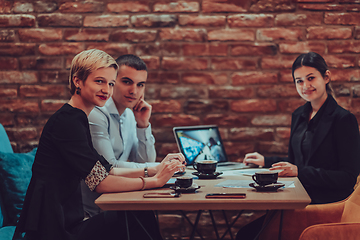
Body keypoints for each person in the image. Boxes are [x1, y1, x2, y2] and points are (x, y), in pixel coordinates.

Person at [13, 49, 185, 240]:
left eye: (111, 83)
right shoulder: (67, 122)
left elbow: (107, 170)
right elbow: (100, 183)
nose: (107, 90)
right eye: (99, 81)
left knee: (137, 213)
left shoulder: (78, 118)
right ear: (77, 81)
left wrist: (157, 169)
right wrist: (154, 181)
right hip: (55, 229)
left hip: (68, 221)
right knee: (133, 216)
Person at [236, 52, 360, 240]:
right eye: (299, 81)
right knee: (245, 233)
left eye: (311, 78)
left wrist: (299, 171)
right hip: (296, 196)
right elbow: (297, 162)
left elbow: (348, 178)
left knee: (247, 235)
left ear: (326, 77)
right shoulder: (299, 115)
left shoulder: (343, 119)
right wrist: (266, 161)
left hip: (324, 202)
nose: (305, 86)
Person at [82, 54, 160, 217]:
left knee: (146, 215)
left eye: (140, 85)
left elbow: (145, 162)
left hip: (119, 201)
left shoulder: (130, 115)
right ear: (112, 82)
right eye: (126, 82)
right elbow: (109, 168)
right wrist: (157, 169)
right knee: (144, 216)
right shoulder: (97, 114)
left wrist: (143, 125)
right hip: (92, 211)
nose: (134, 91)